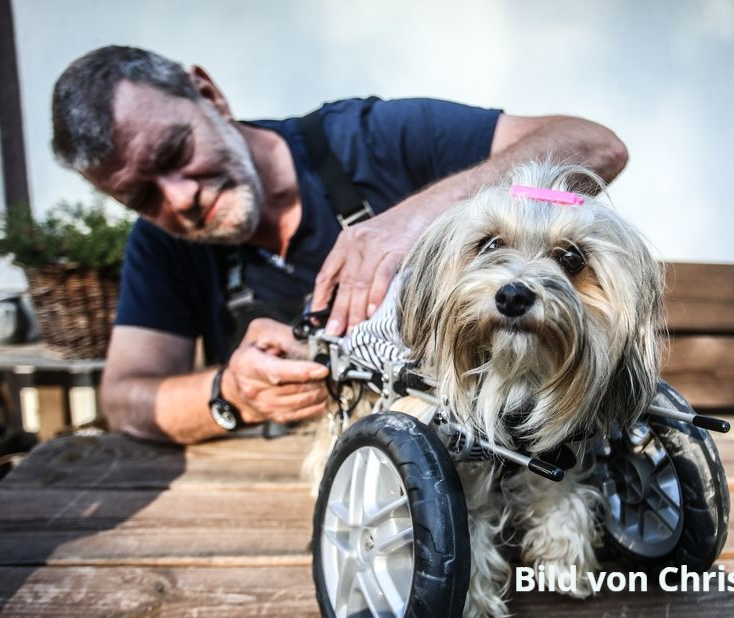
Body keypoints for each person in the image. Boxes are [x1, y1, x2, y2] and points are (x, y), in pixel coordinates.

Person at [50, 46, 629, 444]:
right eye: (141, 198)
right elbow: (125, 398)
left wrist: (416, 218)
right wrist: (228, 393)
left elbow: (594, 146)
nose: (178, 200)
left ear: (208, 94)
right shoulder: (161, 247)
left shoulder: (376, 139)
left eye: (175, 153)